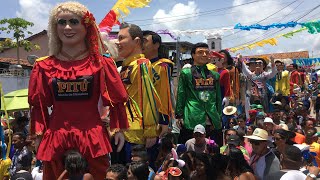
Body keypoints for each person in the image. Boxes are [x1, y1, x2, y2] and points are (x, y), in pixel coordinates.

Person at [28, 2, 128, 179]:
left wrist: (118, 128)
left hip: (93, 137)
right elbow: (39, 105)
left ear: (86, 26)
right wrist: (38, 134)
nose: (67, 27)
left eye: (74, 21)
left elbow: (116, 98)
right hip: (56, 138)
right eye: (61, 22)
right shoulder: (43, 66)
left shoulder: (102, 64)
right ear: (54, 26)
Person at [115, 22, 161, 163]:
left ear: (136, 41)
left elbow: (148, 99)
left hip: (137, 135)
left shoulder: (142, 65)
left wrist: (151, 131)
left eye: (122, 38)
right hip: (124, 131)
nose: (117, 42)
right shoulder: (126, 66)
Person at [175, 43, 222, 145]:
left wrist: (218, 116)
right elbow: (181, 94)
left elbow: (218, 97)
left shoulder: (215, 75)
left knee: (213, 149)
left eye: (206, 52)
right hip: (193, 116)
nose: (204, 55)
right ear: (193, 55)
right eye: (200, 52)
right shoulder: (186, 73)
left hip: (212, 117)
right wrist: (179, 115)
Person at [142, 30, 175, 138]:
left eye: (145, 41)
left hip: (156, 118)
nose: (142, 44)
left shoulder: (163, 65)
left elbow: (164, 94)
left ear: (156, 45)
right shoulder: (138, 65)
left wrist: (164, 120)